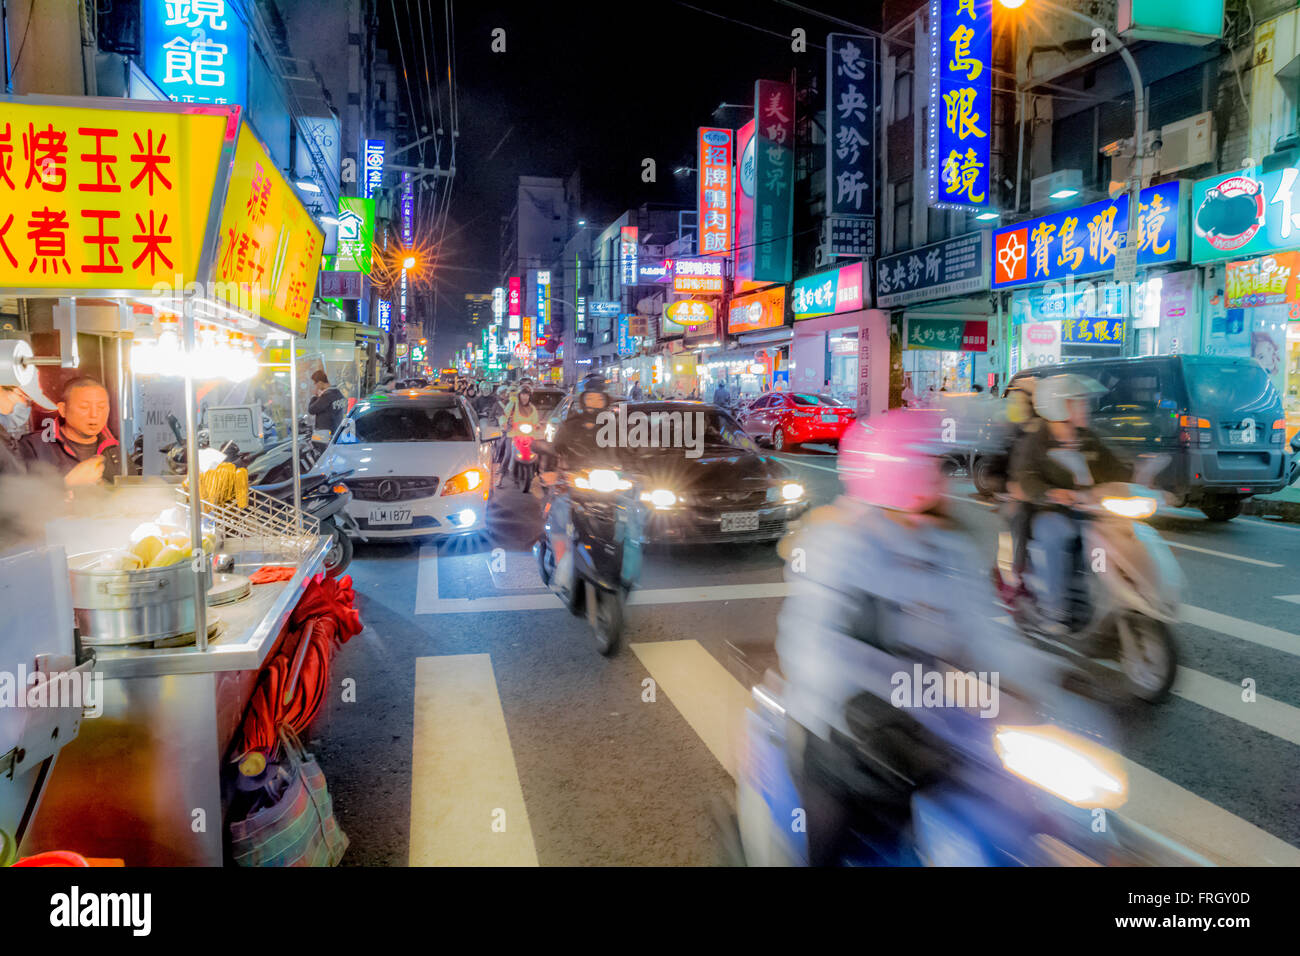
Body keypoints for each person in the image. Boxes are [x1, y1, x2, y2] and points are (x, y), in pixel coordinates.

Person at [776, 409, 1065, 865]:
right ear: (900, 470)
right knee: (828, 841)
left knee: (1026, 820)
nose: (943, 475)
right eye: (933, 463)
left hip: (936, 727)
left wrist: (1050, 684)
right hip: (844, 736)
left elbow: (986, 635)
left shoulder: (948, 548)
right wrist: (856, 713)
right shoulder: (837, 545)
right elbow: (809, 641)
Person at [1009, 373, 1131, 633]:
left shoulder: (1086, 438)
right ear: (1060, 406)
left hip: (1090, 512)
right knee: (1057, 534)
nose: (1086, 407)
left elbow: (1115, 469)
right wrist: (1052, 493)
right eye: (1079, 402)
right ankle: (1055, 609)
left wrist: (1142, 483)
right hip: (1049, 512)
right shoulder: (1036, 440)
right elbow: (1026, 477)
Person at [18, 376, 124, 484]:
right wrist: (68, 483)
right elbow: (19, 496)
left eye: (101, 407)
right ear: (63, 410)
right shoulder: (33, 447)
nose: (94, 414)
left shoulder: (115, 449)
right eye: (84, 407)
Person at [308, 370, 346, 436]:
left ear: (319, 382)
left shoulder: (327, 396)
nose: (315, 386)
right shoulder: (339, 393)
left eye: (315, 383)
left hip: (323, 434)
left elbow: (311, 410)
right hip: (336, 431)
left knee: (316, 445)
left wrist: (314, 396)